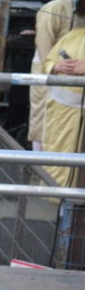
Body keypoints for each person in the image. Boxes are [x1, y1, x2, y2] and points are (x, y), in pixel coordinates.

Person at [31, 0, 85, 151]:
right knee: (43, 126)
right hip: (50, 76)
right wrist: (57, 66)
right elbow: (45, 51)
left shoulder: (82, 11)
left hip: (73, 84)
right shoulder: (52, 9)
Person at [41, 25, 85, 186]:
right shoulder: (73, 35)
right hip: (61, 114)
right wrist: (57, 66)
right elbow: (48, 62)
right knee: (58, 160)